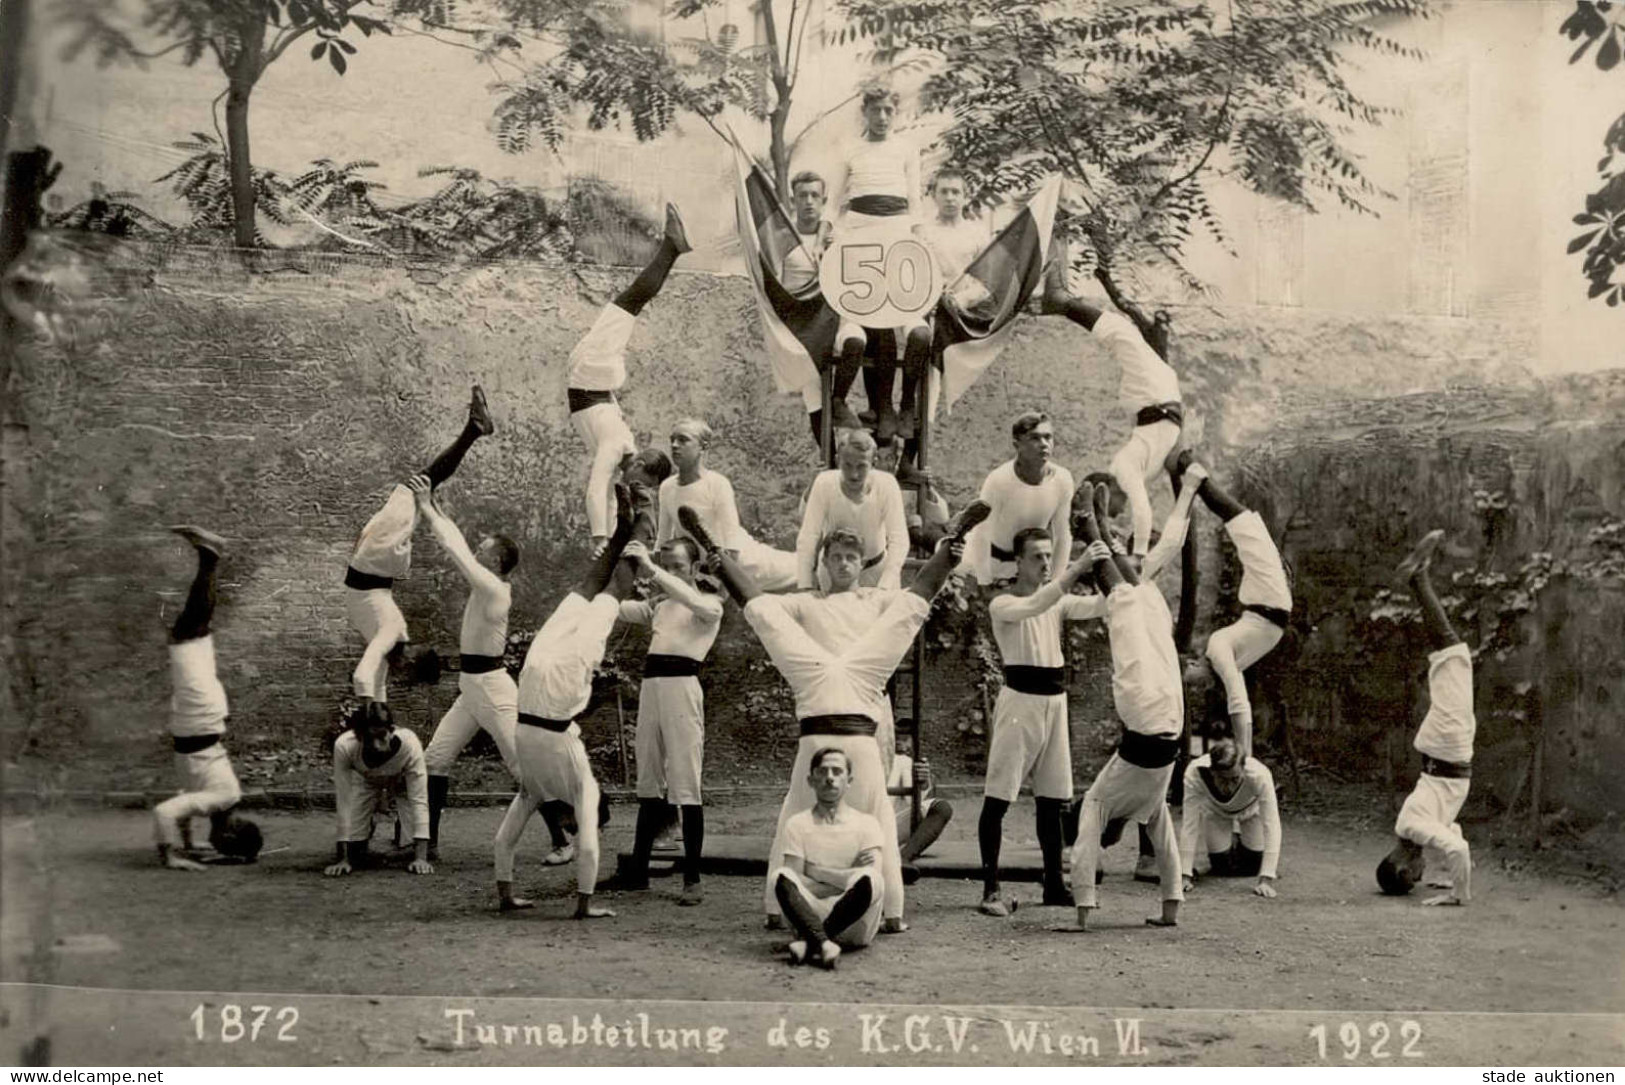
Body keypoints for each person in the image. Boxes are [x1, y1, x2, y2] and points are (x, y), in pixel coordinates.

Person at [679, 498, 990, 933]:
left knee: (906, 613)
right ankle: (711, 547)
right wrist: (724, 563)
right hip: (817, 683)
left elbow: (913, 602)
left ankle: (954, 536)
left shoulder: (874, 598)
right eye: (835, 557)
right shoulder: (808, 602)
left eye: (850, 557)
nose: (843, 563)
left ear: (861, 564)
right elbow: (762, 607)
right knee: (766, 615)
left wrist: (946, 559)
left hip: (862, 688)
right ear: (823, 565)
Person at [493, 486, 641, 919]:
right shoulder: (546, 787)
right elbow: (511, 838)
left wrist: (581, 903)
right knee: (598, 595)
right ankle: (633, 530)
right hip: (536, 691)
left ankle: (629, 532)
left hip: (549, 699)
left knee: (599, 594)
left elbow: (582, 835)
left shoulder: (563, 787)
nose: (571, 824)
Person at [1056, 483, 1184, 932]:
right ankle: (1088, 528)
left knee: (1148, 605)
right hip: (1148, 716)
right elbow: (1087, 843)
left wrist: (1171, 908)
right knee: (1132, 604)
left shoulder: (1148, 806)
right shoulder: (1100, 801)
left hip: (1169, 722)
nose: (1080, 799)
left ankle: (1102, 532)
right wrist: (1083, 912)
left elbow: (1165, 846)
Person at [979, 528, 1107, 916]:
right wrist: (1078, 567)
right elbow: (1035, 605)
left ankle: (1053, 883)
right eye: (1036, 556)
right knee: (999, 795)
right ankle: (990, 890)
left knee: (1054, 800)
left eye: (1049, 556)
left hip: (1055, 701)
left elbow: (1102, 605)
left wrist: (1121, 566)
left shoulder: (1057, 601)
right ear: (1017, 561)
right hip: (1020, 702)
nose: (1046, 563)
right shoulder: (1002, 603)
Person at [344, 386, 491, 705]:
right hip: (375, 565)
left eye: (406, 667)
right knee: (421, 484)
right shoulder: (393, 633)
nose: (402, 664)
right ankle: (473, 431)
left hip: (373, 566)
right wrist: (372, 715)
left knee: (419, 485)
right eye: (410, 660)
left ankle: (474, 430)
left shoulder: (389, 645)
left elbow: (370, 680)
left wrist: (377, 717)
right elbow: (363, 677)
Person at [604, 538, 724, 904]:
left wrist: (653, 569)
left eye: (679, 565)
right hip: (652, 688)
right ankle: (638, 871)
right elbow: (616, 608)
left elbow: (689, 598)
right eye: (666, 564)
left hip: (682, 689)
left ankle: (693, 878)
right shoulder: (659, 605)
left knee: (685, 781)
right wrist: (608, 565)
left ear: (694, 568)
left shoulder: (709, 605)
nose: (671, 571)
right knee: (648, 779)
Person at [1041, 252, 1182, 563]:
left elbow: (1143, 508)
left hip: (1155, 396)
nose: (1120, 513)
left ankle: (1061, 302)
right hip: (1159, 398)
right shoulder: (1139, 468)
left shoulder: (1123, 467)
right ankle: (1062, 300)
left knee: (1123, 335)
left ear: (1105, 494)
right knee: (1126, 336)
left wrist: (1140, 554)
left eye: (1110, 509)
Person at [408, 476, 522, 860]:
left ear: (496, 562)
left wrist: (425, 509)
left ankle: (564, 837)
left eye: (483, 551)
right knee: (434, 759)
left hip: (491, 688)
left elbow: (454, 549)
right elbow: (457, 541)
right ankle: (431, 844)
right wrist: (435, 504)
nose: (476, 552)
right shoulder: (486, 585)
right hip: (472, 688)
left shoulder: (493, 590)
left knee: (522, 766)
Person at [568, 203, 691, 554]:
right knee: (631, 301)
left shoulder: (621, 446)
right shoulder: (617, 446)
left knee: (629, 303)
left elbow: (605, 495)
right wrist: (597, 536)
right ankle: (672, 248)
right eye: (640, 480)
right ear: (638, 464)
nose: (634, 484)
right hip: (592, 373)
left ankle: (672, 248)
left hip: (592, 378)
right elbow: (596, 486)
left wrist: (605, 539)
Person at [825, 84, 933, 441]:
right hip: (858, 234)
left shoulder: (905, 149)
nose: (883, 117)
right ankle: (881, 406)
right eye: (876, 110)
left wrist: (918, 239)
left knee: (914, 327)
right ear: (865, 112)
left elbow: (915, 202)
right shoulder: (850, 149)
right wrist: (827, 233)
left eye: (889, 110)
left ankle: (905, 406)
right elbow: (834, 200)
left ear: (895, 113)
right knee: (872, 321)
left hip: (897, 234)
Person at [154, 526, 263, 870]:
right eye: (223, 847)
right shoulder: (222, 798)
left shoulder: (217, 802)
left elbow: (185, 806)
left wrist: (187, 843)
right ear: (229, 833)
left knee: (193, 630)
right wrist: (170, 856)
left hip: (198, 717)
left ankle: (210, 557)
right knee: (188, 632)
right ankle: (210, 556)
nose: (216, 846)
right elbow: (164, 812)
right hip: (198, 715)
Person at [1376, 530, 1475, 907]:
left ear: (1403, 869)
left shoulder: (1413, 827)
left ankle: (1418, 578)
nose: (1421, 875)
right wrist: (1449, 878)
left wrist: (1458, 895)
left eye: (1415, 877)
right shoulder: (1417, 830)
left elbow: (1458, 851)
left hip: (1449, 745)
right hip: (1448, 749)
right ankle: (1418, 578)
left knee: (1452, 651)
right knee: (1452, 656)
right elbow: (1457, 838)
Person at [1174, 451, 1293, 758]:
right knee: (1240, 521)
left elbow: (1238, 700)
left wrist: (1245, 752)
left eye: (1188, 677)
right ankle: (1193, 471)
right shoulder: (1228, 662)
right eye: (1191, 681)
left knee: (1237, 518)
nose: (1193, 682)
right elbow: (1236, 696)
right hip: (1268, 602)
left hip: (1265, 602)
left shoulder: (1217, 646)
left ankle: (1190, 467)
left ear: (1196, 663)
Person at [770, 749, 889, 969]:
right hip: (808, 915)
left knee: (872, 877)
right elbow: (792, 882)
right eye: (823, 771)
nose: (830, 777)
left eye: (837, 771)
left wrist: (814, 871)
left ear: (849, 781)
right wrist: (846, 879)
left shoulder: (867, 823)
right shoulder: (797, 824)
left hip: (854, 925)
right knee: (780, 874)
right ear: (811, 780)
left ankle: (811, 942)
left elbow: (867, 887)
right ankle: (824, 944)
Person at [657, 418, 798, 593]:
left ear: (703, 447)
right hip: (701, 568)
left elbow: (732, 539)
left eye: (683, 440)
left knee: (799, 569)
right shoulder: (667, 487)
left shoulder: (717, 483)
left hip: (744, 563)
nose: (675, 445)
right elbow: (663, 540)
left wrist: (725, 585)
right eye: (672, 440)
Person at [961, 411, 1075, 586]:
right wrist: (984, 583)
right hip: (987, 563)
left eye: (1048, 437)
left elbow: (1063, 534)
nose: (1044, 444)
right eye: (1034, 438)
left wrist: (1056, 582)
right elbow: (981, 535)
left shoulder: (1063, 479)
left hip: (1030, 568)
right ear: (1017, 445)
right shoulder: (998, 480)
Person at [324, 702, 434, 877]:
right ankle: (367, 827)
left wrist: (421, 858)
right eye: (369, 739)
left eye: (382, 736)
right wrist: (343, 859)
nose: (376, 745)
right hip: (365, 779)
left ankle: (405, 835)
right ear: (358, 736)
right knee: (356, 854)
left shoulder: (410, 744)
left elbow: (418, 799)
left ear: (391, 730)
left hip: (402, 780)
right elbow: (343, 799)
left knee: (411, 848)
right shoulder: (344, 746)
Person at [796, 428, 910, 591]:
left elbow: (899, 539)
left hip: (877, 572)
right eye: (847, 465)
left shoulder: (887, 484)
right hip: (835, 574)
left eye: (861, 466)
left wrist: (885, 586)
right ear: (837, 461)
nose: (854, 474)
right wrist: (805, 584)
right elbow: (809, 535)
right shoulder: (824, 483)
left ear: (873, 463)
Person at [778, 171, 840, 448]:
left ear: (824, 200)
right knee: (814, 396)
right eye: (802, 196)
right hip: (801, 324)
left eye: (815, 195)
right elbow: (774, 287)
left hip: (831, 319)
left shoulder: (834, 239)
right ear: (793, 200)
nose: (809, 202)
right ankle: (830, 461)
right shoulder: (783, 238)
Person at [1179, 736, 1282, 899]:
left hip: (1250, 812)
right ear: (1212, 770)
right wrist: (1184, 874)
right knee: (1221, 867)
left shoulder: (1260, 775)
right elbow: (1189, 823)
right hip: (1216, 812)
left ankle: (1241, 840)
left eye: (1235, 778)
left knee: (1252, 866)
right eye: (1222, 779)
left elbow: (1272, 824)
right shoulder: (1195, 772)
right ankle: (1229, 842)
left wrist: (1266, 878)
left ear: (1243, 767)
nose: (1229, 786)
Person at [886, 728, 954, 882]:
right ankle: (900, 857)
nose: (899, 742)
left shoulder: (903, 761)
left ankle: (902, 859)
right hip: (860, 827)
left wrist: (922, 783)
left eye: (904, 739)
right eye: (897, 738)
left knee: (941, 807)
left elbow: (914, 804)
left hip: (885, 828)